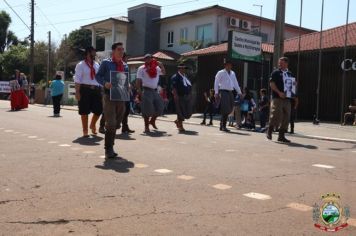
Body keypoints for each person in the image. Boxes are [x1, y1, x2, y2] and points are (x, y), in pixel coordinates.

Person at [96, 42, 127, 158]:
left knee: (117, 123)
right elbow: (97, 76)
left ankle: (111, 146)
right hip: (108, 95)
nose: (121, 51)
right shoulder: (106, 63)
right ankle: (108, 148)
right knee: (111, 123)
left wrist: (127, 86)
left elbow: (125, 79)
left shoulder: (125, 65)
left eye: (122, 49)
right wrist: (105, 83)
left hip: (121, 96)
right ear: (113, 51)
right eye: (119, 49)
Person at [74, 46, 103, 137]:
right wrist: (77, 91)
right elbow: (77, 79)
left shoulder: (97, 64)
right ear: (88, 53)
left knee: (99, 110)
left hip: (96, 89)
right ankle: (85, 130)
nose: (95, 53)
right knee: (84, 111)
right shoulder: (80, 65)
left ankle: (92, 124)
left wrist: (102, 89)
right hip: (84, 89)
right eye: (93, 51)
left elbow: (99, 78)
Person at [266, 57, 296, 142]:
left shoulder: (290, 74)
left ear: (286, 63)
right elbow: (272, 84)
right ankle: (270, 131)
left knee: (287, 116)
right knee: (275, 114)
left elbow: (293, 85)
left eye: (281, 63)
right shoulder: (275, 73)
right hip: (277, 97)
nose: (279, 64)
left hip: (287, 98)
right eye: (279, 63)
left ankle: (281, 136)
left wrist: (294, 87)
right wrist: (279, 92)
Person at [136, 54, 166, 133]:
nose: (148, 60)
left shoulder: (156, 67)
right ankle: (146, 127)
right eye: (146, 58)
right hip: (146, 90)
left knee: (160, 107)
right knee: (147, 109)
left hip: (154, 90)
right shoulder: (141, 68)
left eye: (149, 58)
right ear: (144, 59)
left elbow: (164, 73)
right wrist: (139, 90)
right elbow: (138, 80)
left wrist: (161, 65)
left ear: (152, 59)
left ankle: (152, 121)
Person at [214, 60, 242, 132]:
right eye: (228, 65)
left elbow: (235, 83)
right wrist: (216, 92)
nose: (229, 66)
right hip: (223, 92)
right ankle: (223, 126)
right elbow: (216, 82)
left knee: (230, 108)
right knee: (225, 109)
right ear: (225, 65)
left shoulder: (233, 73)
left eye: (230, 65)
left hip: (230, 92)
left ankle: (221, 125)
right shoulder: (220, 72)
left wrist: (239, 92)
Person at [171, 63, 193, 132]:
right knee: (180, 112)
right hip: (179, 96)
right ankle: (180, 126)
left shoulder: (185, 77)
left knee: (188, 113)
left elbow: (189, 86)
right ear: (179, 69)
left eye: (184, 68)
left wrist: (190, 94)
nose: (184, 69)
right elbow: (174, 87)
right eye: (182, 68)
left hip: (187, 96)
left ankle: (178, 121)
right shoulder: (175, 77)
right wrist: (175, 95)